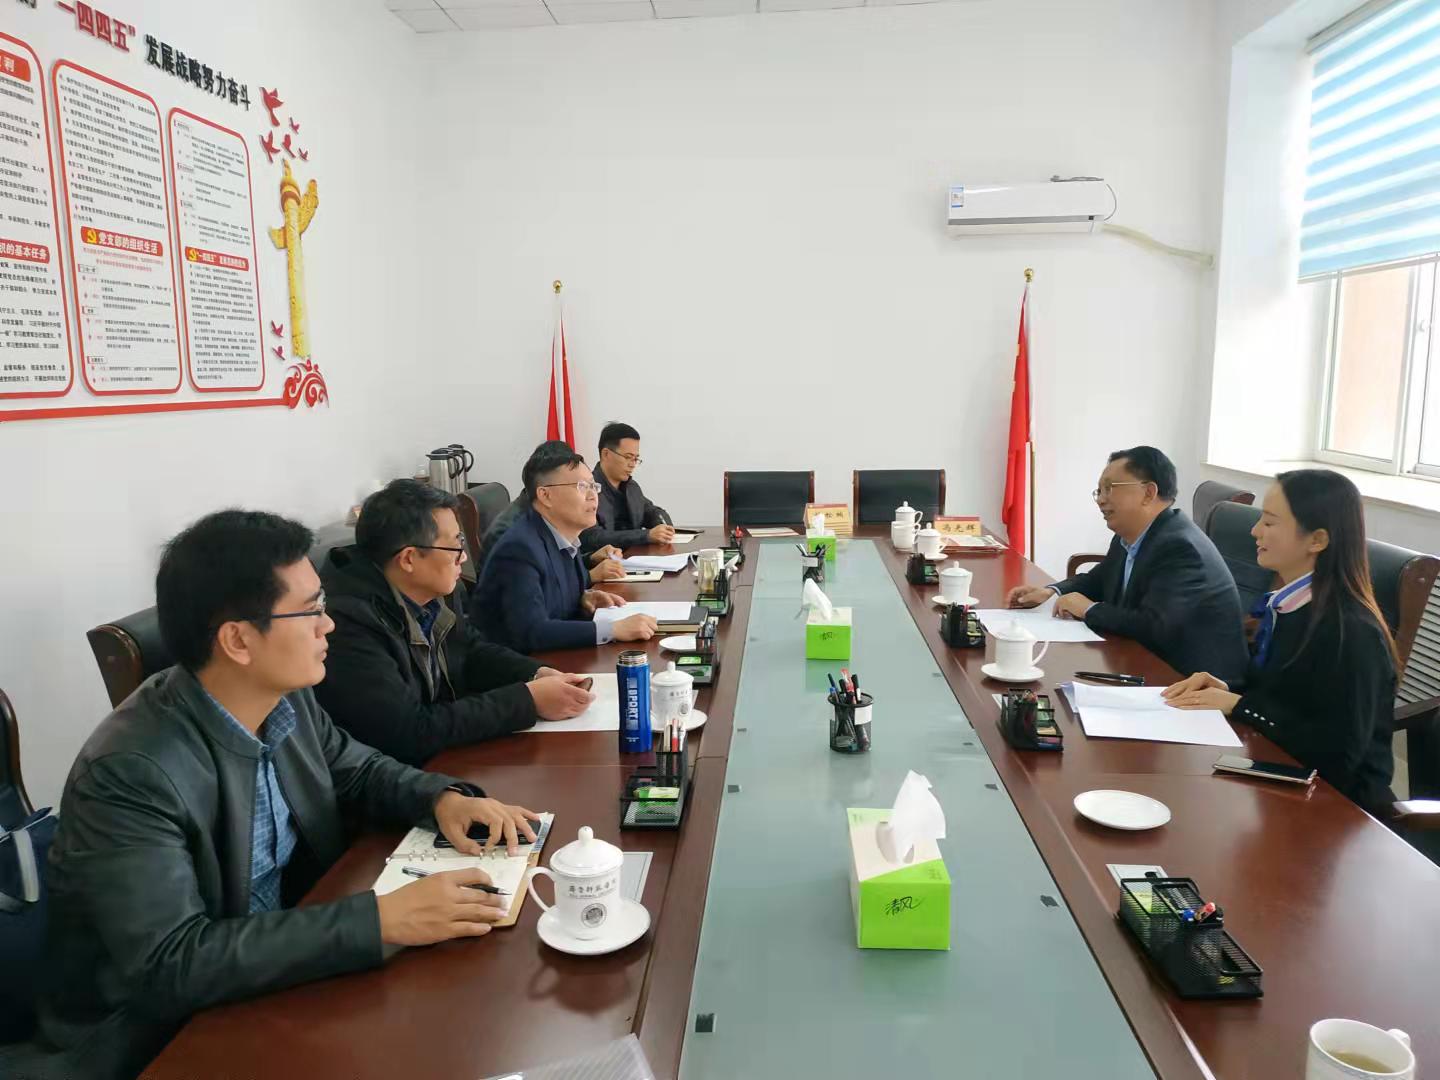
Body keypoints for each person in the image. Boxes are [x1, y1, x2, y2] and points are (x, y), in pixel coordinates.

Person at [7, 511, 539, 1080]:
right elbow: (170, 963)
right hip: (161, 1040)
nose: (328, 625)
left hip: (283, 968)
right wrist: (379, 921)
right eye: (311, 610)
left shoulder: (283, 696)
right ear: (238, 639)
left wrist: (441, 799)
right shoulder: (130, 771)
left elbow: (357, 769)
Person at [1164, 469, 1398, 812]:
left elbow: (1337, 754)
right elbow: (1286, 697)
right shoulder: (1290, 607)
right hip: (1281, 778)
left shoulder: (1351, 631)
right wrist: (1227, 690)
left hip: (1339, 810)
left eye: (1270, 522)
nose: (1255, 530)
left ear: (1317, 540)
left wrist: (1240, 705)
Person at [315, 480, 596, 766]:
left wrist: (536, 673)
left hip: (445, 754)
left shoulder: (432, 589)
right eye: (454, 546)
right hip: (399, 774)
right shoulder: (347, 624)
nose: (463, 557)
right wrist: (527, 700)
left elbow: (470, 651)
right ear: (409, 559)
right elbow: (406, 731)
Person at [1006, 446, 1248, 684]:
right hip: (1146, 664)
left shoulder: (1179, 547)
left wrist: (1089, 609)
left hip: (1194, 683)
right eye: (1099, 491)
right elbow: (1099, 579)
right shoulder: (1132, 536)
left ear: (1148, 493)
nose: (1101, 500)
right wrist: (1051, 592)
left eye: (1110, 488)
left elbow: (1155, 626)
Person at [471, 441, 658, 652]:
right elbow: (532, 631)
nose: (592, 495)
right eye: (582, 487)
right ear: (545, 495)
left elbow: (554, 594)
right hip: (518, 665)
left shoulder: (564, 536)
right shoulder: (519, 548)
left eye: (593, 486)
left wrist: (582, 600)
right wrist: (612, 629)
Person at [477, 491, 626, 582]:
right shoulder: (512, 534)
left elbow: (556, 565)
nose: (591, 495)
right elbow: (541, 595)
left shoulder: (542, 514)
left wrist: (591, 559)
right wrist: (589, 576)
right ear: (545, 493)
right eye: (579, 487)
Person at [580, 420, 675, 551]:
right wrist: (646, 536)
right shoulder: (587, 490)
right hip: (603, 561)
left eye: (636, 459)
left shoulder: (631, 487)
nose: (632, 464)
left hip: (636, 558)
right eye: (628, 457)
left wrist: (663, 527)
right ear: (606, 454)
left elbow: (653, 512)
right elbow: (593, 537)